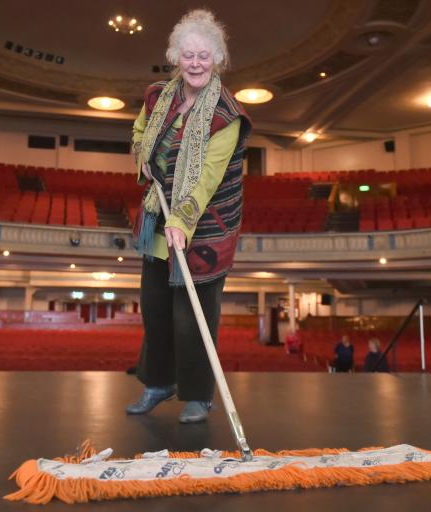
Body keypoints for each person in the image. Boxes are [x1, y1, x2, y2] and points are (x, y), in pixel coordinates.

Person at [126, 9, 251, 423]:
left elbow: (207, 178)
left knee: (192, 319)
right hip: (158, 220)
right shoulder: (158, 95)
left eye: (204, 56)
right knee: (156, 309)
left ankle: (198, 394)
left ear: (217, 59)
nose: (195, 63)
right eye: (188, 55)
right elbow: (140, 130)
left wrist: (183, 219)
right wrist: (143, 154)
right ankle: (158, 383)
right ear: (175, 57)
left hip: (207, 228)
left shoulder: (227, 115)